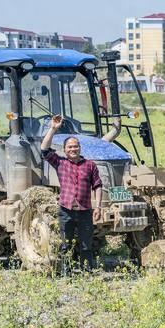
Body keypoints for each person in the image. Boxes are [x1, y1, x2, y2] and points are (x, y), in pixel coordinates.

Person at [40, 114, 103, 272]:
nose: (73, 149)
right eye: (70, 147)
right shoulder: (60, 163)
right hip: (66, 210)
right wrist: (53, 129)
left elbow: (97, 185)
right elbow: (44, 149)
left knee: (86, 245)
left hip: (85, 211)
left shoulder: (90, 165)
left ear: (80, 148)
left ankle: (87, 272)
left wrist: (98, 207)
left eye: (76, 146)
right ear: (65, 150)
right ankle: (66, 273)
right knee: (66, 244)